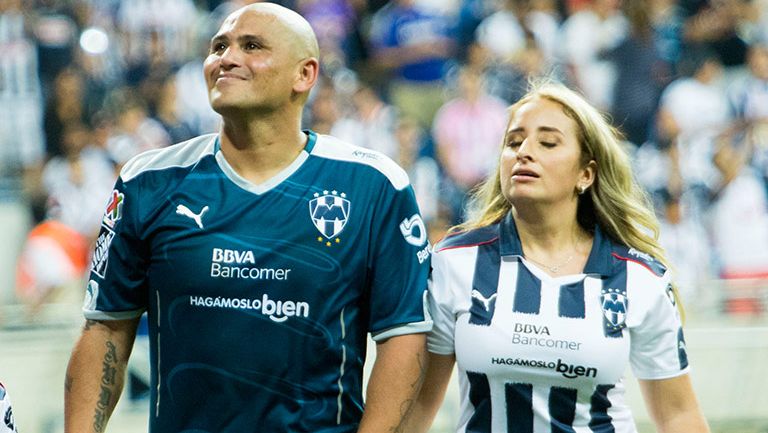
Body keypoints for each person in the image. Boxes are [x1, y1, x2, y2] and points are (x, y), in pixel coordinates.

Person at [64, 4, 432, 433]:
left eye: (251, 46)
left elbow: (404, 337)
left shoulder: (374, 185)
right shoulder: (149, 180)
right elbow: (106, 329)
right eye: (219, 46)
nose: (227, 58)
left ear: (305, 75)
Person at [405, 81, 711, 432]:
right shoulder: (453, 262)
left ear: (586, 174)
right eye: (514, 142)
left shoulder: (640, 277)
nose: (524, 152)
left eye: (547, 142)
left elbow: (679, 415)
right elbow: (417, 405)